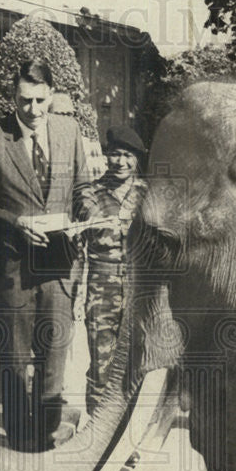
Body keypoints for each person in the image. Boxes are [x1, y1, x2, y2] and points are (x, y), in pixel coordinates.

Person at [0, 60, 90, 451]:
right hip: (14, 266)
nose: (33, 110)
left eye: (40, 100)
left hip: (59, 264)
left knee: (55, 353)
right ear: (12, 98)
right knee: (15, 358)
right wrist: (16, 222)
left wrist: (84, 213)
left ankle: (47, 437)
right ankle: (21, 443)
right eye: (24, 101)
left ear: (51, 95)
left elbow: (82, 186)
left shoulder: (70, 131)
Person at [75, 125, 146, 415]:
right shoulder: (89, 195)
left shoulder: (147, 194)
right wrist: (76, 295)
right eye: (115, 154)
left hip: (139, 289)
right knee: (101, 365)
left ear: (137, 159)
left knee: (135, 366)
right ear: (106, 156)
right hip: (101, 288)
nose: (121, 162)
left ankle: (126, 443)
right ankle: (96, 435)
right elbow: (77, 248)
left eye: (128, 156)